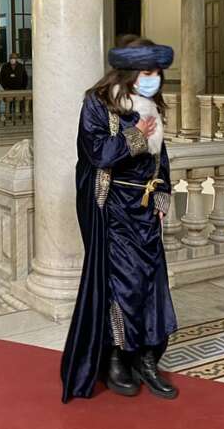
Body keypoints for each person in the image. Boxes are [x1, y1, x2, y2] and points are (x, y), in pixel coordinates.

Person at [61, 36, 178, 403]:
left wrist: (162, 194)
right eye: (147, 73)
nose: (154, 79)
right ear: (128, 72)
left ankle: (147, 358)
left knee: (151, 283)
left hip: (145, 211)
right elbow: (96, 153)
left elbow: (161, 158)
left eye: (157, 73)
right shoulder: (97, 103)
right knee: (121, 284)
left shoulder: (151, 104)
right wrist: (136, 136)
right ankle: (116, 359)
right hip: (113, 209)